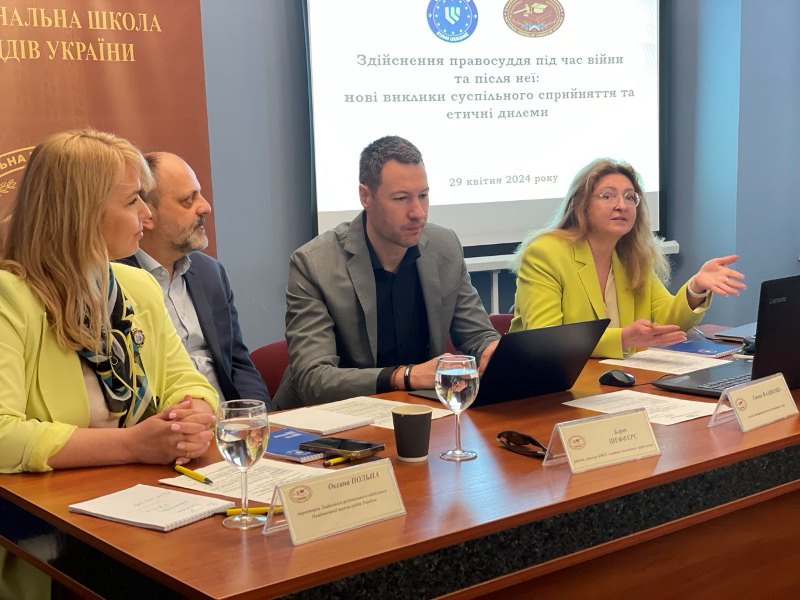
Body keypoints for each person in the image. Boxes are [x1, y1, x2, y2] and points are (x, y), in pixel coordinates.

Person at [0, 129, 218, 599]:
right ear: (80, 214)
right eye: (133, 201)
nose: (148, 215)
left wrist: (192, 414)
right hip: (42, 535)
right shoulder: (10, 299)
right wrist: (132, 444)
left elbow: (188, 380)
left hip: (145, 511)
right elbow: (2, 434)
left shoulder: (136, 286)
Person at [274, 135, 500, 409]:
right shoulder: (314, 264)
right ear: (365, 196)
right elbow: (314, 379)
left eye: (423, 196)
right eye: (401, 198)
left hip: (416, 411)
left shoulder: (445, 247)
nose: (418, 212)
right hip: (327, 418)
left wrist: (492, 350)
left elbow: (478, 335)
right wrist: (404, 376)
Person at [509, 158, 746, 358]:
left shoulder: (632, 256)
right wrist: (623, 338)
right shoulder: (546, 253)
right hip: (544, 383)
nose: (621, 205)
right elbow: (547, 339)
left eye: (630, 197)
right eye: (607, 196)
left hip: (610, 378)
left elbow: (666, 324)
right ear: (582, 205)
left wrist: (696, 288)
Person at [118, 152, 269, 407]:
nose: (205, 206)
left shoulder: (210, 273)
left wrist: (256, 417)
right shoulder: (115, 283)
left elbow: (239, 365)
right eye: (188, 200)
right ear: (147, 215)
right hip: (172, 423)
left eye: (200, 194)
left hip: (228, 422)